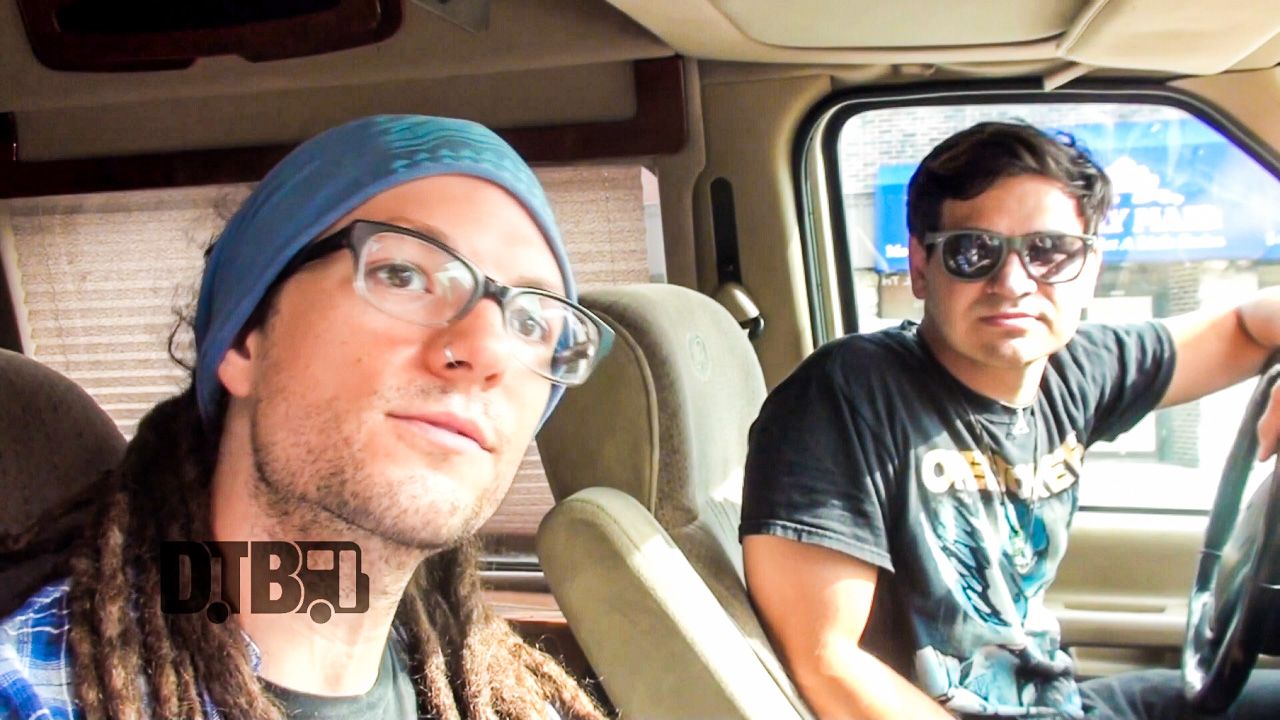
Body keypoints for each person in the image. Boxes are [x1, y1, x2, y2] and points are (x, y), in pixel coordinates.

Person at [0, 115, 615, 720]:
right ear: (244, 339)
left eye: (532, 325)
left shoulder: (511, 701)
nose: (489, 352)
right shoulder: (33, 695)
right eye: (403, 274)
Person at [740, 121, 1280, 719]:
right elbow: (826, 662)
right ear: (921, 265)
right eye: (973, 251)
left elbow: (1250, 327)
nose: (1013, 283)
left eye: (1049, 251)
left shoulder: (1074, 370)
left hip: (1058, 702)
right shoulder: (845, 395)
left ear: (1090, 269)